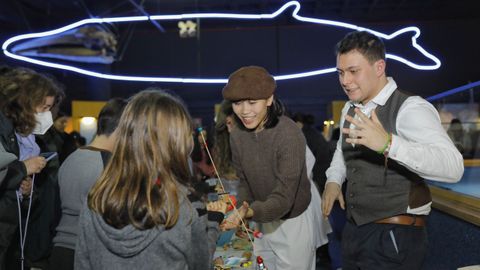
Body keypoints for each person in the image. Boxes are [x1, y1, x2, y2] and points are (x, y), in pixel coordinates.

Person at [322, 31, 464, 270]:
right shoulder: (350, 107)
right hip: (354, 232)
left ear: (379, 67)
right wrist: (334, 180)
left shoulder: (410, 108)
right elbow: (341, 150)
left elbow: (453, 167)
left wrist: (389, 144)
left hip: (394, 237)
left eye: (353, 71)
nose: (344, 81)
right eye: (340, 72)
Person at [74, 90, 225, 270]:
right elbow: (201, 265)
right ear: (175, 144)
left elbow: (82, 264)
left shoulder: (95, 200)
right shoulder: (184, 208)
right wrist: (214, 224)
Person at [222, 66, 329, 270]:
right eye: (237, 103)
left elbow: (284, 198)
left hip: (292, 221)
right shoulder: (237, 135)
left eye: (252, 102)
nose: (245, 111)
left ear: (269, 99)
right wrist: (243, 207)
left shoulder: (288, 133)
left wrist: (249, 211)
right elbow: (244, 182)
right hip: (260, 220)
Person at [49, 98, 127, 270]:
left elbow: (54, 210)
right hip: (87, 253)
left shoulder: (71, 158)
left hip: (60, 251)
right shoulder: (108, 164)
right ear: (122, 129)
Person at [0, 66, 64, 270]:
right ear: (25, 102)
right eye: (44, 107)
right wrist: (22, 168)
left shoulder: (21, 137)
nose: (47, 115)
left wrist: (26, 193)